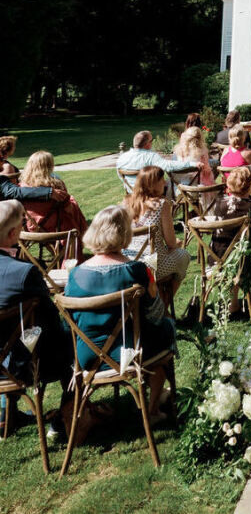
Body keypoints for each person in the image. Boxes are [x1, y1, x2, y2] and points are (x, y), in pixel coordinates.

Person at [65, 205, 175, 421]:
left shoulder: (75, 274)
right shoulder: (136, 270)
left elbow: (71, 319)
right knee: (166, 328)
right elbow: (155, 314)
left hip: (87, 357)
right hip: (130, 352)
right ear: (125, 233)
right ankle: (152, 410)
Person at [0, 199, 76, 437]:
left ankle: (5, 415)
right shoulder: (23, 272)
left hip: (5, 357)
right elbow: (50, 321)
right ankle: (66, 417)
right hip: (23, 363)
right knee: (73, 335)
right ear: (14, 233)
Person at [210, 168, 251, 315]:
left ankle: (233, 303)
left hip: (219, 260)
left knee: (232, 246)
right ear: (250, 186)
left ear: (229, 186)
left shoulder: (219, 204)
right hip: (247, 261)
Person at [124, 167, 191, 295]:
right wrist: (176, 244)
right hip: (151, 265)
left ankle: (156, 300)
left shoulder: (127, 202)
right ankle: (163, 303)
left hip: (127, 263)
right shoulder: (161, 204)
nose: (165, 182)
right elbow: (171, 243)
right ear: (153, 184)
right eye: (161, 180)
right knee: (183, 255)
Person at [116, 130, 200, 182]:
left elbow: (120, 176)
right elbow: (168, 166)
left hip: (132, 195)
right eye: (151, 141)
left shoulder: (122, 158)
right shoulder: (150, 156)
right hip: (150, 194)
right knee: (171, 185)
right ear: (147, 144)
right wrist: (191, 164)